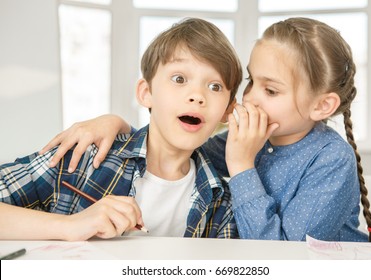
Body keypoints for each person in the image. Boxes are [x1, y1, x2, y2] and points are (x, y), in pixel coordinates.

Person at [40, 17, 371, 242]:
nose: (251, 98)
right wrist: (118, 125)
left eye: (271, 90)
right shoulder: (251, 138)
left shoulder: (332, 159)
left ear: (323, 106)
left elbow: (282, 258)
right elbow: (180, 143)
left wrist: (243, 165)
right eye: (251, 81)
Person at [0, 18, 243, 241]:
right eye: (179, 79)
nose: (197, 96)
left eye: (215, 86)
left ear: (227, 110)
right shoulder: (85, 157)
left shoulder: (222, 203)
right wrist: (69, 226)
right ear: (146, 93)